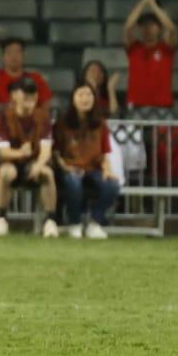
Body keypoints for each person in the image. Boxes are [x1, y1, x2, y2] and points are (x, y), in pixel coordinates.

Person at [0, 78, 59, 238]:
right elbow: (4, 152)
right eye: (25, 92)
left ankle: (50, 221)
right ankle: (1, 219)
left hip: (34, 162)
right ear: (14, 95)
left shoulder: (43, 117)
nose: (30, 96)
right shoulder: (4, 117)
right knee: (6, 173)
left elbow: (46, 150)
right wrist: (21, 153)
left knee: (47, 173)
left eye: (33, 93)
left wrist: (39, 165)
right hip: (12, 162)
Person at [54, 83, 121, 239]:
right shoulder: (62, 123)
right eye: (81, 95)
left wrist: (107, 169)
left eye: (89, 95)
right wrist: (64, 166)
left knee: (112, 184)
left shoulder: (100, 123)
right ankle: (75, 223)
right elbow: (55, 150)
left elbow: (104, 152)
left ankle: (95, 223)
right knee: (73, 182)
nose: (85, 99)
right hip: (70, 167)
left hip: (93, 167)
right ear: (73, 98)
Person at [123, 0, 178, 112]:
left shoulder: (166, 48)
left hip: (162, 107)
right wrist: (144, 0)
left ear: (159, 28)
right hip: (136, 106)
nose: (148, 28)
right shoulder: (133, 47)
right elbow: (127, 27)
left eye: (152, 24)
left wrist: (152, 3)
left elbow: (171, 29)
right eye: (144, 25)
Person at [0, 39, 51, 109]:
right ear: (2, 57)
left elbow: (46, 105)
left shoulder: (35, 78)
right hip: (1, 119)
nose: (14, 56)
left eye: (17, 52)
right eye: (9, 52)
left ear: (24, 55)